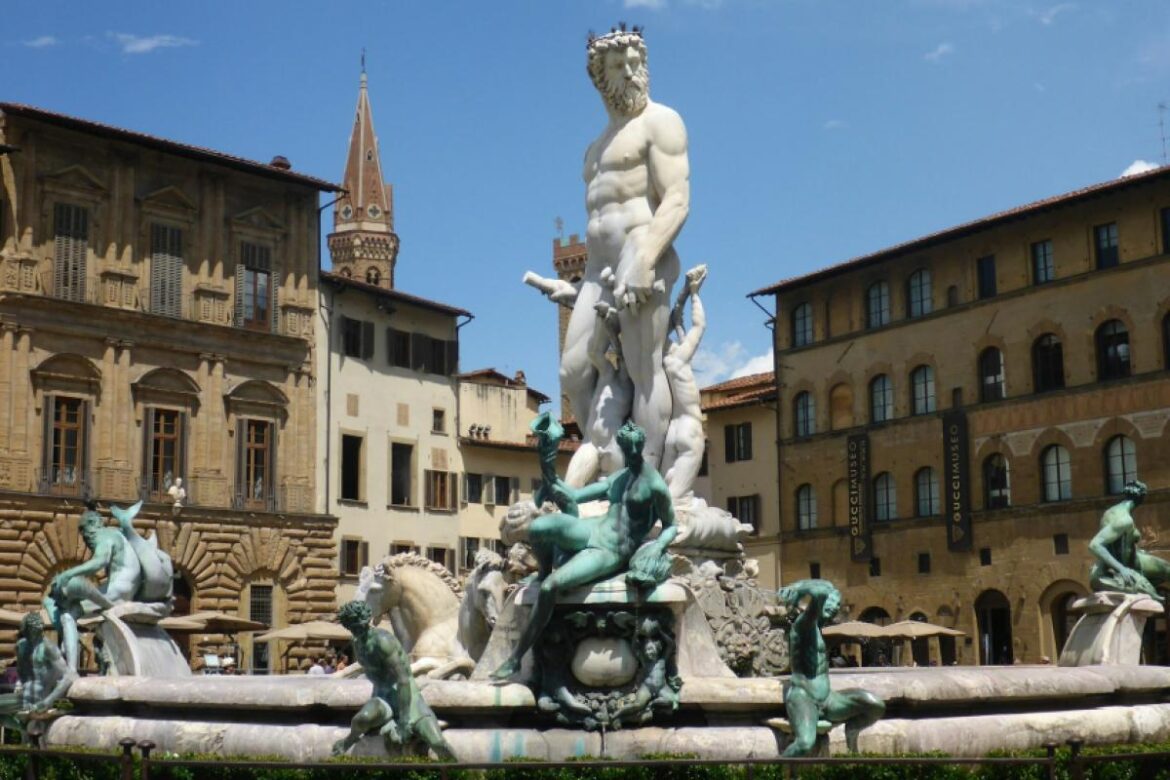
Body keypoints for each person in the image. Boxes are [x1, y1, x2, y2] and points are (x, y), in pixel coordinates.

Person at [559, 26, 690, 470]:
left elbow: (676, 197)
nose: (631, 72)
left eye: (636, 62)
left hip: (642, 253)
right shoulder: (594, 149)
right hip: (597, 271)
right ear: (600, 76)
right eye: (619, 65)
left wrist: (645, 258)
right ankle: (610, 458)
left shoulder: (661, 121)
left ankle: (644, 483)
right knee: (574, 372)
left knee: (643, 370)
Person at [493, 421, 677, 680]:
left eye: (635, 447)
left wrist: (657, 545)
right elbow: (573, 496)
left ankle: (515, 658)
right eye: (627, 448)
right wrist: (547, 459)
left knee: (550, 589)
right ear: (623, 448)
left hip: (612, 549)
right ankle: (543, 570)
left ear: (642, 446)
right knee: (538, 528)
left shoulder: (655, 485)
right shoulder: (619, 478)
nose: (632, 452)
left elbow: (671, 526)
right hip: (592, 529)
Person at [332, 600, 455, 761]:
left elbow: (403, 680)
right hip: (382, 699)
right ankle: (349, 740)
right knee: (361, 719)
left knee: (438, 743)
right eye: (352, 627)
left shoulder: (383, 641)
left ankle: (457, 774)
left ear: (366, 620)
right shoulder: (357, 643)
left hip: (409, 701)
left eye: (358, 625)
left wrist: (404, 722)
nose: (356, 630)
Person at [779, 579, 884, 757]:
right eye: (831, 602)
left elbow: (821, 590)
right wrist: (798, 589)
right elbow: (819, 593)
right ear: (818, 605)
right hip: (805, 696)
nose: (835, 607)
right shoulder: (804, 624)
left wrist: (818, 588)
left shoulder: (818, 630)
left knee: (875, 705)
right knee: (805, 743)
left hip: (828, 699)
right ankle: (774, 770)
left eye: (837, 604)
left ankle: (851, 735)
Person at [660, 264, 707, 501]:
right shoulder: (679, 358)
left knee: (665, 491)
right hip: (690, 427)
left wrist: (683, 296)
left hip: (672, 432)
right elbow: (699, 326)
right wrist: (696, 294)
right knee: (676, 501)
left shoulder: (665, 364)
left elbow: (678, 322)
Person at [1088, 480, 1169, 600]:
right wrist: (1121, 569)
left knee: (1163, 571)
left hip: (1132, 559)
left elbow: (1119, 544)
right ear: (1141, 499)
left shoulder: (1110, 511)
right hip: (1126, 564)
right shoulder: (1124, 520)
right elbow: (1095, 545)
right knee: (1167, 569)